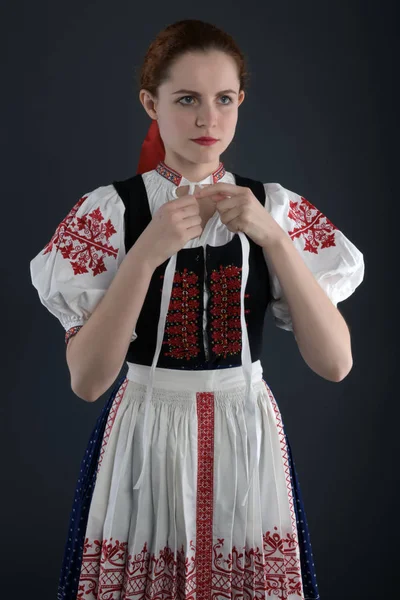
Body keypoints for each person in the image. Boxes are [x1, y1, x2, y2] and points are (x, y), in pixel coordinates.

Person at [30, 19, 364, 600]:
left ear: (241, 102)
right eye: (186, 99)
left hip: (246, 431)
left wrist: (276, 241)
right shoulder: (110, 212)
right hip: (145, 435)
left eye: (224, 99)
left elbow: (336, 364)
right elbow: (87, 381)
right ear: (150, 102)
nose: (208, 119)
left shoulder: (273, 208)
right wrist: (145, 254)